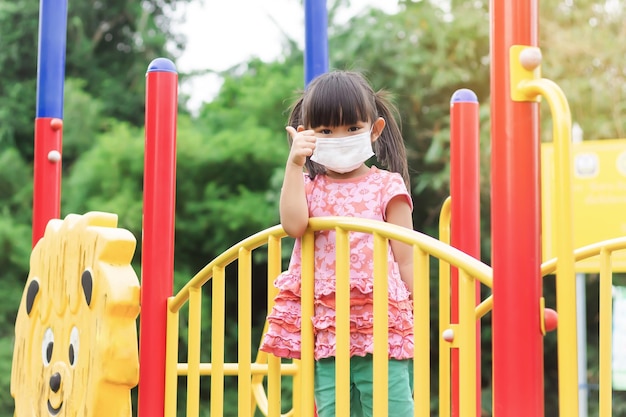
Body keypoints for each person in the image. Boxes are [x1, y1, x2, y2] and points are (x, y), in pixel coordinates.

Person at [260, 70, 414, 417]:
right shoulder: (310, 186)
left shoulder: (386, 186)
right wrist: (294, 163)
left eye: (351, 129)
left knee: (390, 408)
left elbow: (407, 258)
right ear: (307, 135)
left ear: (373, 130)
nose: (339, 137)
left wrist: (413, 312)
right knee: (334, 409)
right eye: (326, 131)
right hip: (327, 325)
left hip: (380, 323)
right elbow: (293, 224)